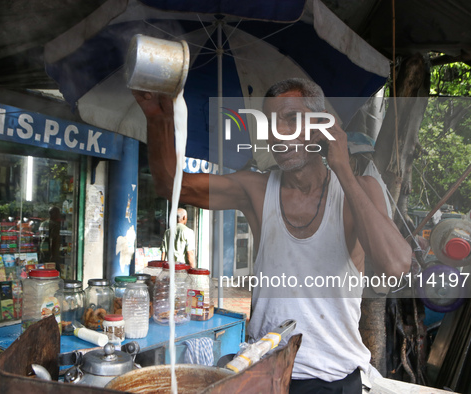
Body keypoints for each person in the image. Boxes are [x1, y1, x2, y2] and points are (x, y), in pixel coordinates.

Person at [132, 78, 411, 393]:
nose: (280, 132)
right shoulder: (257, 188)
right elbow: (170, 185)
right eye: (272, 123)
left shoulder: (359, 189)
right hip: (265, 373)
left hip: (334, 379)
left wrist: (343, 170)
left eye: (292, 118)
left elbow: (395, 267)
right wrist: (158, 117)